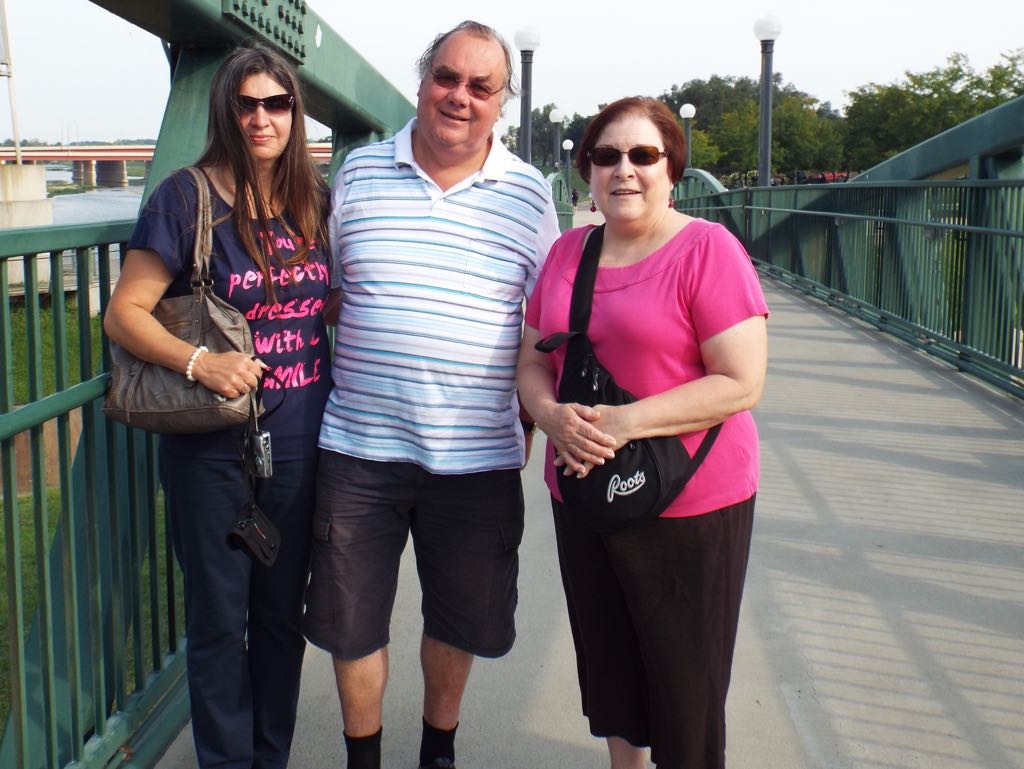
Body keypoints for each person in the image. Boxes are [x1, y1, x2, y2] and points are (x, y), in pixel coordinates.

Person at [301, 20, 560, 769]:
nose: (460, 97)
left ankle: (437, 751)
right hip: (359, 447)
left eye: (482, 87)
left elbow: (543, 324)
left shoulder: (528, 194)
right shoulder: (355, 173)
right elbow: (331, 295)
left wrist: (531, 423)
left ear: (501, 103)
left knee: (459, 617)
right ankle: (363, 757)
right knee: (351, 621)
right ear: (422, 80)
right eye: (447, 77)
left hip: (476, 454)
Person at [517, 96, 769, 769]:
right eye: (606, 156)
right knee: (611, 667)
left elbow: (741, 380)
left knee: (686, 686)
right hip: (586, 492)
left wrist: (624, 422)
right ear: (586, 171)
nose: (623, 170)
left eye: (642, 155)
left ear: (671, 168)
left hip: (690, 500)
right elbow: (534, 358)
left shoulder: (708, 249)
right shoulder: (570, 251)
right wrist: (548, 416)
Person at [103, 42, 331, 769]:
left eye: (277, 103)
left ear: (296, 112)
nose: (262, 118)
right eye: (247, 103)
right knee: (217, 619)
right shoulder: (186, 196)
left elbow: (322, 301)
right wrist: (203, 361)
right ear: (225, 111)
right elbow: (125, 313)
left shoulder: (312, 198)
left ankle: (271, 755)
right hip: (212, 445)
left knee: (278, 617)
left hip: (298, 437)